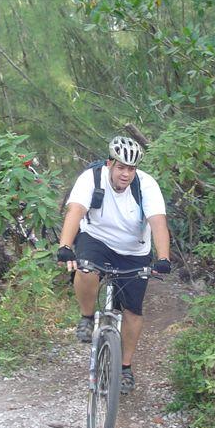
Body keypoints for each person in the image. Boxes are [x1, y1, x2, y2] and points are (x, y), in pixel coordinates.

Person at [57, 136, 171, 394]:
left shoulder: (146, 185)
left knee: (132, 311)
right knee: (85, 268)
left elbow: (158, 223)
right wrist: (65, 246)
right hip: (96, 238)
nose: (126, 174)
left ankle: (125, 368)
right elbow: (75, 211)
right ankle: (87, 317)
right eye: (121, 167)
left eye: (131, 169)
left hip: (133, 250)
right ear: (110, 164)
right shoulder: (91, 178)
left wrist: (163, 258)